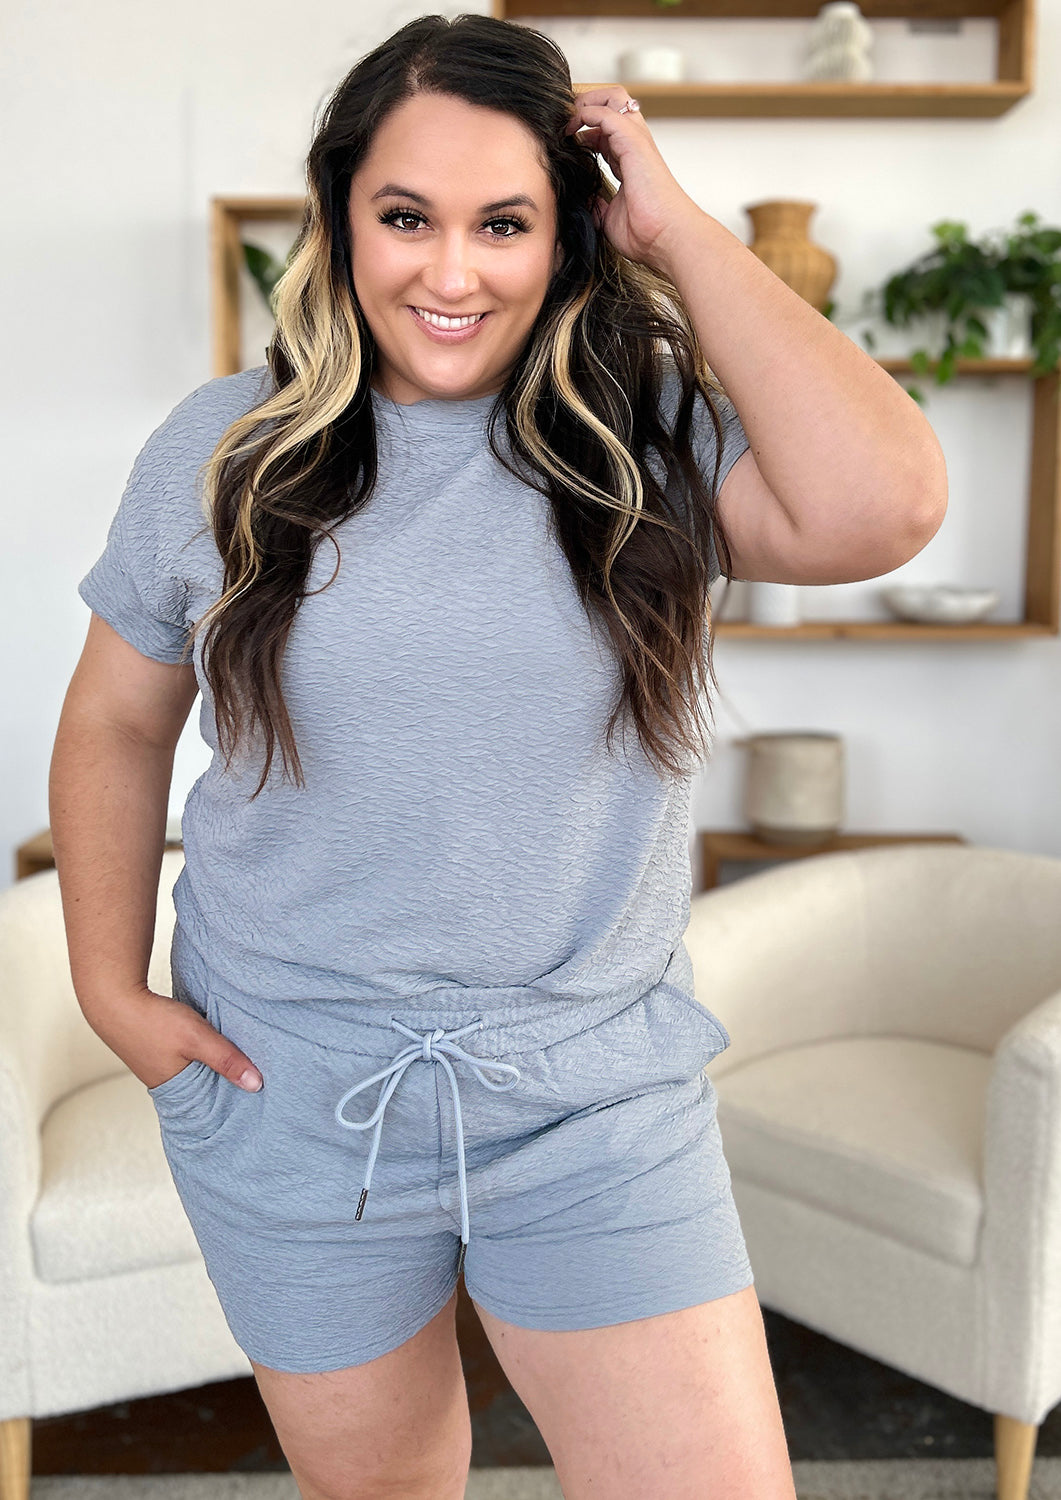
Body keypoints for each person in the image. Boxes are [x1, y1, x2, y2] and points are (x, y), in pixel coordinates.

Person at [50, 13, 946, 1500]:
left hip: (591, 1096)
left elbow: (888, 506)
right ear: (341, 216)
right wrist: (106, 989)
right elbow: (118, 719)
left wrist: (672, 224)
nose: (448, 273)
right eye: (404, 217)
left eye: (505, 223)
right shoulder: (225, 449)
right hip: (291, 1084)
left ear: (576, 236)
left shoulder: (652, 438)